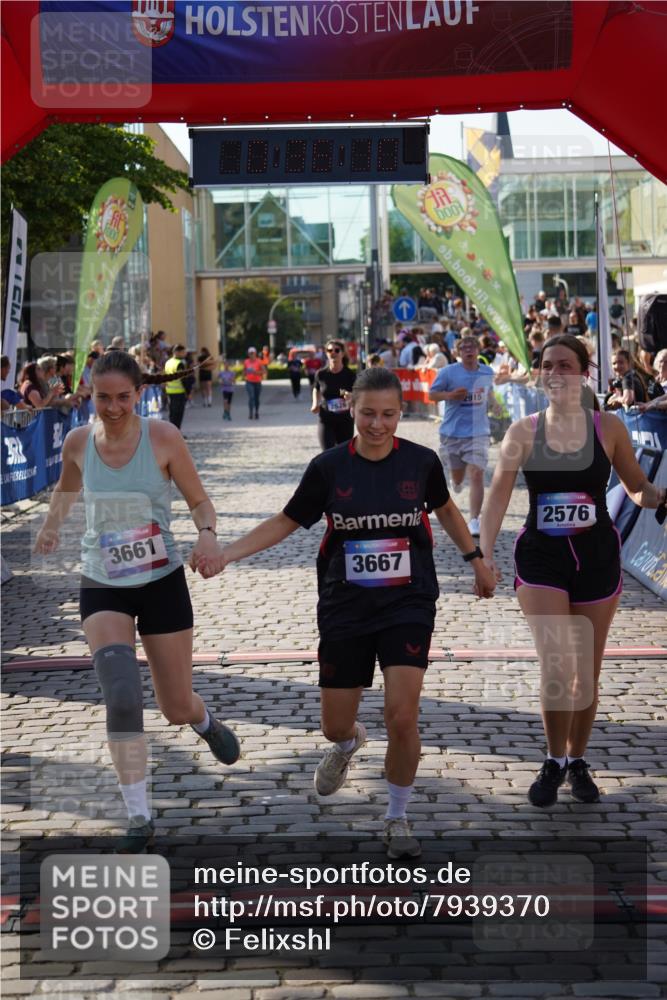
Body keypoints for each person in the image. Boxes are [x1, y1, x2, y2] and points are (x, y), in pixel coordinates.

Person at [195, 368, 496, 858]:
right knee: (335, 724)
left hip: (409, 601)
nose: (378, 424)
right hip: (345, 604)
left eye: (389, 414)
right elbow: (286, 521)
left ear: (402, 413)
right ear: (349, 408)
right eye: (368, 413)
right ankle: (348, 743)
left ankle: (397, 818)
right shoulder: (328, 467)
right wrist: (228, 552)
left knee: (402, 715)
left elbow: (445, 510)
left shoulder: (420, 462)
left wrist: (476, 559)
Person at [33, 350, 240, 849]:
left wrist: (208, 534)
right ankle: (138, 815)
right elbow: (66, 490)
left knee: (174, 706)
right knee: (122, 695)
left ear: (139, 393)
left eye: (123, 396)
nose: (113, 407)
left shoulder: (163, 437)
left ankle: (203, 720)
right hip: (102, 580)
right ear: (89, 393)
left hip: (161, 579)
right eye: (103, 397)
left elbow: (198, 499)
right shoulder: (79, 442)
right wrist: (51, 527)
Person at [480, 334, 666, 808]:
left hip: (597, 556)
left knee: (585, 672)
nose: (555, 373)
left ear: (585, 372)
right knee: (557, 664)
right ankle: (552, 760)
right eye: (547, 366)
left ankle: (577, 759)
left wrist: (659, 498)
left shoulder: (609, 429)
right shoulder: (523, 431)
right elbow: (498, 497)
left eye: (566, 365)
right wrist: (482, 553)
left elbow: (637, 487)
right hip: (542, 555)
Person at [429, 335, 496, 537]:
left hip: (478, 432)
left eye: (472, 346)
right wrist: (450, 396)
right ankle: (455, 480)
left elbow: (489, 395)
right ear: (458, 352)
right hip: (452, 433)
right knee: (458, 478)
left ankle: (474, 520)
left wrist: (495, 405)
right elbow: (432, 395)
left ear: (477, 350)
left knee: (476, 474)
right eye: (464, 347)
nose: (468, 349)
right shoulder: (448, 372)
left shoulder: (487, 371)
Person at [311, 339, 356, 451]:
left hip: (345, 420)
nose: (333, 353)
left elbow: (358, 394)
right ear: (326, 353)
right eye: (329, 350)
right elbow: (316, 389)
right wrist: (315, 403)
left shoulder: (350, 375)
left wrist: (351, 397)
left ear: (342, 353)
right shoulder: (321, 374)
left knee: (344, 453)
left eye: (336, 350)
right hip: (326, 419)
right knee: (327, 453)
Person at [164, 345, 188, 429]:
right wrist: (188, 391)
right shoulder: (179, 364)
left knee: (172, 413)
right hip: (179, 392)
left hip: (169, 391)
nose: (185, 354)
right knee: (178, 414)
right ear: (177, 352)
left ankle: (172, 432)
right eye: (183, 352)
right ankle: (177, 433)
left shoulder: (168, 362)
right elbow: (183, 379)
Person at [243, 347, 264, 419]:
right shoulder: (246, 362)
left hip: (257, 382)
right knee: (251, 397)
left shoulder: (259, 361)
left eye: (253, 353)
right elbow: (244, 371)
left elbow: (264, 371)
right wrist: (245, 373)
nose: (251, 355)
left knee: (257, 398)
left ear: (255, 353)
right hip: (249, 382)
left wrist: (256, 372)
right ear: (248, 354)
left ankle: (257, 412)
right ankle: (250, 413)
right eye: (250, 353)